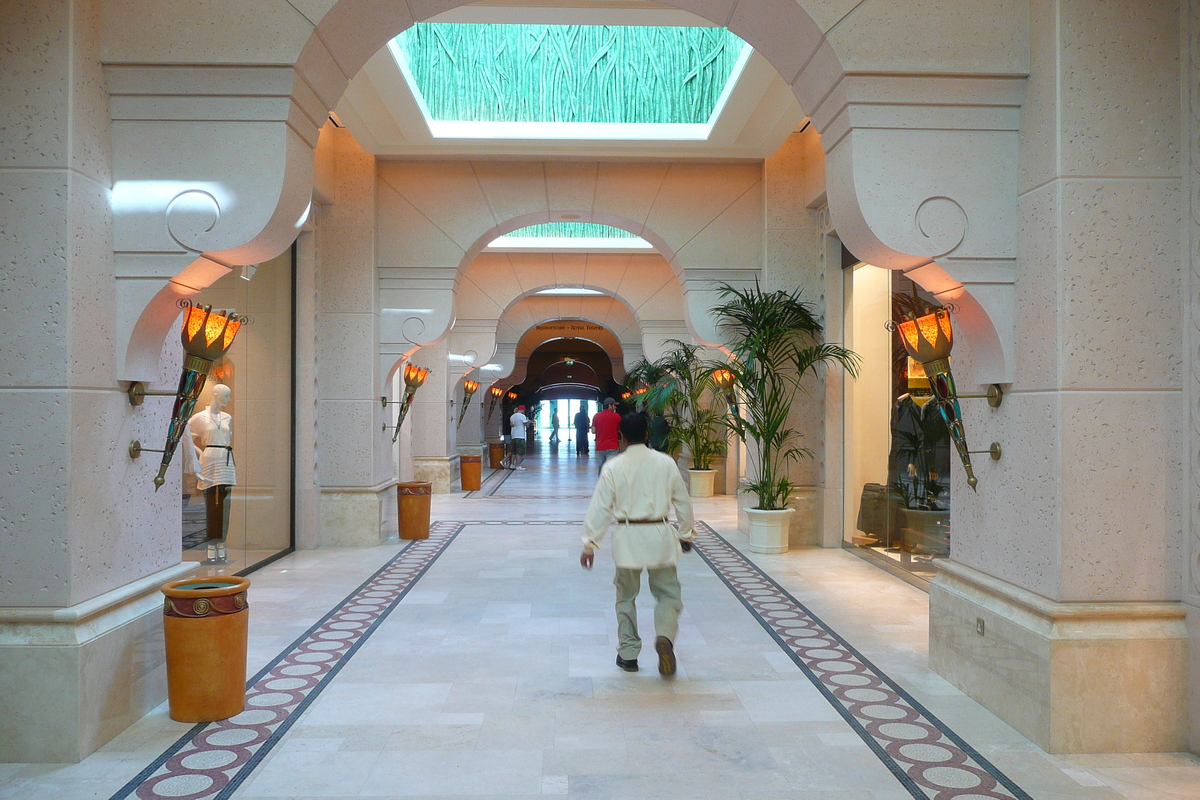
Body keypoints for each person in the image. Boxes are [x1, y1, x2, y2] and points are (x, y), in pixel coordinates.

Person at [579, 413, 695, 676]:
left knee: (625, 597)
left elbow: (600, 508)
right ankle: (664, 636)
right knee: (667, 594)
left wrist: (590, 544)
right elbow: (682, 501)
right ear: (647, 435)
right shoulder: (665, 463)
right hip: (659, 533)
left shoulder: (613, 466)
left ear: (621, 436)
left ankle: (628, 653)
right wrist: (686, 533)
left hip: (628, 536)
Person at [185, 384, 236, 564]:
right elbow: (186, 437)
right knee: (209, 502)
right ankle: (210, 544)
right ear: (216, 394)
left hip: (225, 459)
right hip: (209, 458)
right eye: (226, 395)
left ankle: (221, 542)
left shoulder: (227, 417)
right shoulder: (199, 418)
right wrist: (199, 456)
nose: (229, 399)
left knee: (224, 502)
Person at [591, 397, 621, 474]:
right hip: (613, 446)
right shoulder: (617, 416)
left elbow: (593, 431)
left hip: (600, 446)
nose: (615, 407)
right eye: (614, 405)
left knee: (601, 468)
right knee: (611, 468)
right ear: (609, 406)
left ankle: (601, 484)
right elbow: (620, 430)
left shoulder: (596, 416)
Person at [507, 405, 528, 470]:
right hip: (520, 435)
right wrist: (528, 422)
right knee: (519, 451)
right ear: (523, 410)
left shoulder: (512, 416)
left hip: (513, 435)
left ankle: (512, 464)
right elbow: (526, 425)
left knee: (514, 451)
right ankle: (518, 465)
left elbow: (512, 424)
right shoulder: (522, 416)